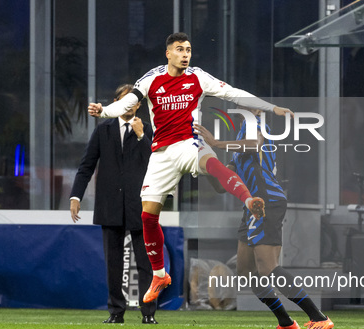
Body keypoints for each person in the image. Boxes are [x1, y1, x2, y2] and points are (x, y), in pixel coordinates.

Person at [88, 32, 293, 304]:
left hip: (189, 142)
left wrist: (271, 106)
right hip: (161, 153)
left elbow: (231, 92)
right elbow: (129, 102)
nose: (185, 54)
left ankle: (249, 199)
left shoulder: (198, 76)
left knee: (213, 165)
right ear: (168, 53)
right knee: (147, 216)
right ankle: (160, 275)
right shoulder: (151, 79)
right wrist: (104, 111)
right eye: (180, 50)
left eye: (188, 50)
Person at [194, 112, 334, 329]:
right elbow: (222, 185)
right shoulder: (240, 134)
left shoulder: (257, 125)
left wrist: (216, 143)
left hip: (266, 200)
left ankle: (318, 318)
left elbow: (253, 145)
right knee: (246, 271)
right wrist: (203, 163)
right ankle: (286, 323)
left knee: (268, 268)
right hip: (251, 205)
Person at [71, 84, 158, 324]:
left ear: (139, 105)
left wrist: (142, 137)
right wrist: (75, 197)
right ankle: (116, 312)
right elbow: (86, 166)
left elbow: (157, 165)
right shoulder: (103, 130)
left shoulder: (149, 130)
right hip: (109, 205)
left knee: (145, 263)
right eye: (124, 101)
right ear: (116, 102)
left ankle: (148, 313)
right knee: (113, 264)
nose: (129, 105)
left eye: (133, 102)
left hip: (141, 206)